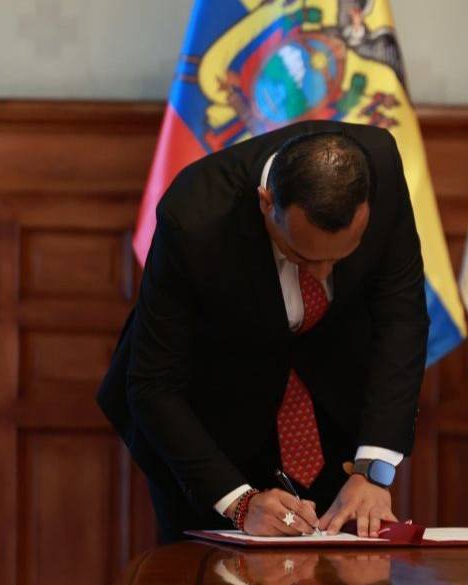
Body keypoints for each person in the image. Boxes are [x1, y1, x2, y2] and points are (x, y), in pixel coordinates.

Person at [96, 120, 429, 543]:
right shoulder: (194, 216)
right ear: (266, 202)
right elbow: (153, 383)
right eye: (301, 257)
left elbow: (401, 318)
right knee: (211, 579)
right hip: (213, 424)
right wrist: (239, 502)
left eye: (340, 257)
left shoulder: (380, 167)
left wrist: (372, 470)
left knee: (339, 574)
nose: (323, 273)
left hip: (330, 411)